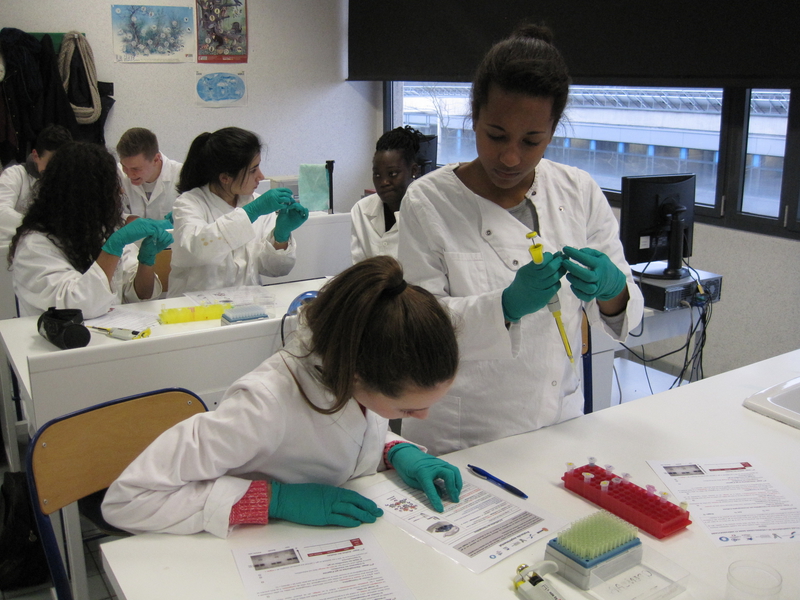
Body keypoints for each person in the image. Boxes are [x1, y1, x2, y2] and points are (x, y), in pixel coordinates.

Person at [398, 23, 644, 456]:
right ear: (474, 117)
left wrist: (613, 289)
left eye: (532, 141)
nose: (511, 157)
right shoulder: (429, 201)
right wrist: (505, 306)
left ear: (552, 130)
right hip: (464, 438)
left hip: (558, 422)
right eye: (496, 135)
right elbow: (418, 329)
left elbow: (624, 314)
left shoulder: (579, 191)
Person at [102, 255, 462, 538]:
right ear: (356, 375)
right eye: (408, 410)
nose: (423, 417)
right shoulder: (262, 405)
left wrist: (394, 450)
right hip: (247, 553)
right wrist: (273, 500)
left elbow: (350, 432)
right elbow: (129, 500)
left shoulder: (357, 359)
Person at [8, 141, 172, 318]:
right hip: (56, 335)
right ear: (83, 194)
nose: (120, 190)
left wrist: (146, 261)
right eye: (109, 185)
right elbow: (78, 305)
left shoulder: (100, 230)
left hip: (109, 329)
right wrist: (113, 247)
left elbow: (139, 295)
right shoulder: (35, 245)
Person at [168, 127, 308, 297]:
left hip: (246, 304)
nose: (261, 176)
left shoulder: (256, 203)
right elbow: (199, 250)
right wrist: (252, 212)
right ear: (225, 177)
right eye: (253, 170)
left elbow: (275, 269)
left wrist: (281, 236)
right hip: (194, 307)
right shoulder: (189, 203)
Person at [350, 126, 422, 263]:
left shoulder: (426, 213)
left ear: (413, 170)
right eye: (377, 175)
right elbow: (359, 268)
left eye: (392, 174)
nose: (383, 182)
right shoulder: (361, 210)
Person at [0, 124, 72, 247]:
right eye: (51, 163)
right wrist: (40, 227)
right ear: (35, 156)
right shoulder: (15, 174)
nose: (57, 169)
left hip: (50, 248)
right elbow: (1, 212)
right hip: (10, 246)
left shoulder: (71, 182)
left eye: (62, 163)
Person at [116, 127, 183, 222]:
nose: (129, 175)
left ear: (156, 159)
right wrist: (128, 219)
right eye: (124, 166)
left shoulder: (181, 176)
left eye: (136, 169)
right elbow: (112, 215)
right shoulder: (118, 175)